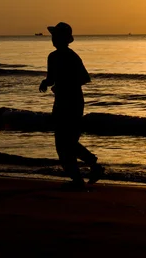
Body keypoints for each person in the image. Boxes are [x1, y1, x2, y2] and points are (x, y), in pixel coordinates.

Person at [39, 22, 104, 187]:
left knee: (66, 141)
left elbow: (84, 78)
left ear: (64, 39)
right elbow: (51, 78)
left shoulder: (71, 56)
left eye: (56, 36)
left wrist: (64, 84)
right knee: (63, 142)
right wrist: (45, 83)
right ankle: (81, 175)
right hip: (61, 101)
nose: (53, 39)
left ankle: (90, 166)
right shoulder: (52, 57)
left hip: (73, 101)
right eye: (53, 36)